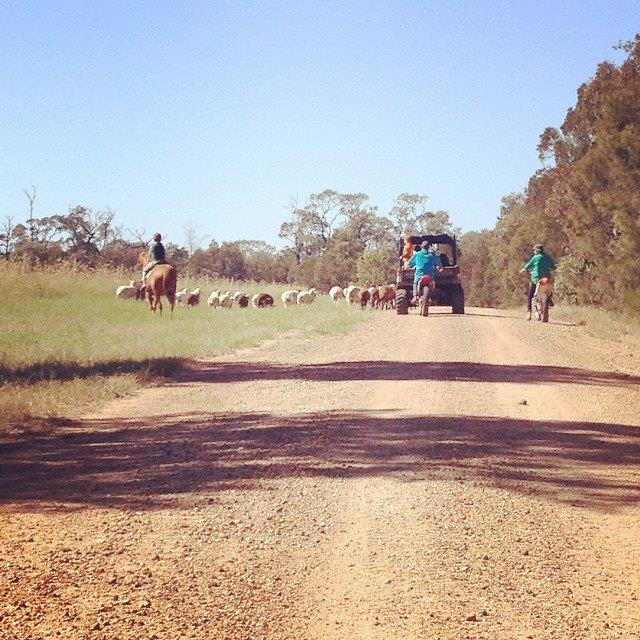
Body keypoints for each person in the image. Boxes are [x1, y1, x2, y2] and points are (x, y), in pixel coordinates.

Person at [520, 243, 556, 320]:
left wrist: (524, 269)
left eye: (534, 250)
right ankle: (549, 300)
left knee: (530, 295)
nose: (534, 252)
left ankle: (529, 312)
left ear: (536, 251)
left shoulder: (535, 257)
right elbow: (553, 266)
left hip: (536, 278)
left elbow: (528, 265)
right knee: (548, 290)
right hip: (546, 278)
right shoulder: (547, 256)